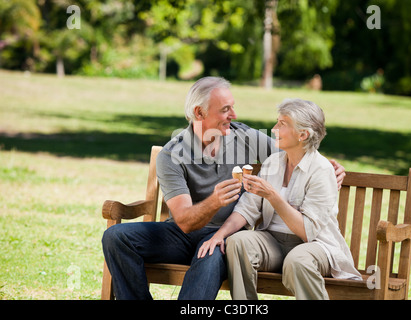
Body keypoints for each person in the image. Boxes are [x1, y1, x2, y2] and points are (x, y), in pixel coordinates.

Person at [102, 77, 346, 300]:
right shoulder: (172, 155)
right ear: (199, 112)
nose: (234, 114)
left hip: (225, 237)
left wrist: (330, 165)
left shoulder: (245, 137)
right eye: (225, 109)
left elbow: (296, 146)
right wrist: (214, 201)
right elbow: (185, 222)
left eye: (232, 106)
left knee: (208, 253)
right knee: (116, 237)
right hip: (181, 235)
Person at [198, 98, 361, 300]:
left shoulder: (321, 170)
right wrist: (219, 235)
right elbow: (247, 208)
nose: (274, 129)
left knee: (297, 260)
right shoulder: (273, 163)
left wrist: (272, 196)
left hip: (314, 246)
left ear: (303, 134)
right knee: (238, 241)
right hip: (273, 242)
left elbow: (306, 230)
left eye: (282, 124)